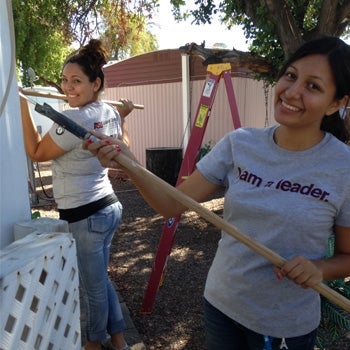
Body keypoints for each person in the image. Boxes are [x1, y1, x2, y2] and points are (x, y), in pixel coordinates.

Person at [84, 36, 350, 350]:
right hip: (222, 305)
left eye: (313, 86)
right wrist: (129, 163)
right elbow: (172, 204)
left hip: (285, 324)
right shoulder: (240, 144)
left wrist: (318, 268)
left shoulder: (342, 167)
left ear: (337, 103)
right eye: (290, 76)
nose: (292, 92)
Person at [20, 39, 134, 350]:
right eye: (65, 80)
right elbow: (123, 143)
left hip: (86, 216)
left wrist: (20, 104)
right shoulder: (108, 110)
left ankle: (93, 345)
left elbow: (36, 151)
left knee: (92, 289)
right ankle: (121, 341)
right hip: (108, 208)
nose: (68, 88)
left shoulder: (75, 120)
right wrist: (123, 117)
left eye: (77, 81)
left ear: (96, 83)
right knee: (102, 281)